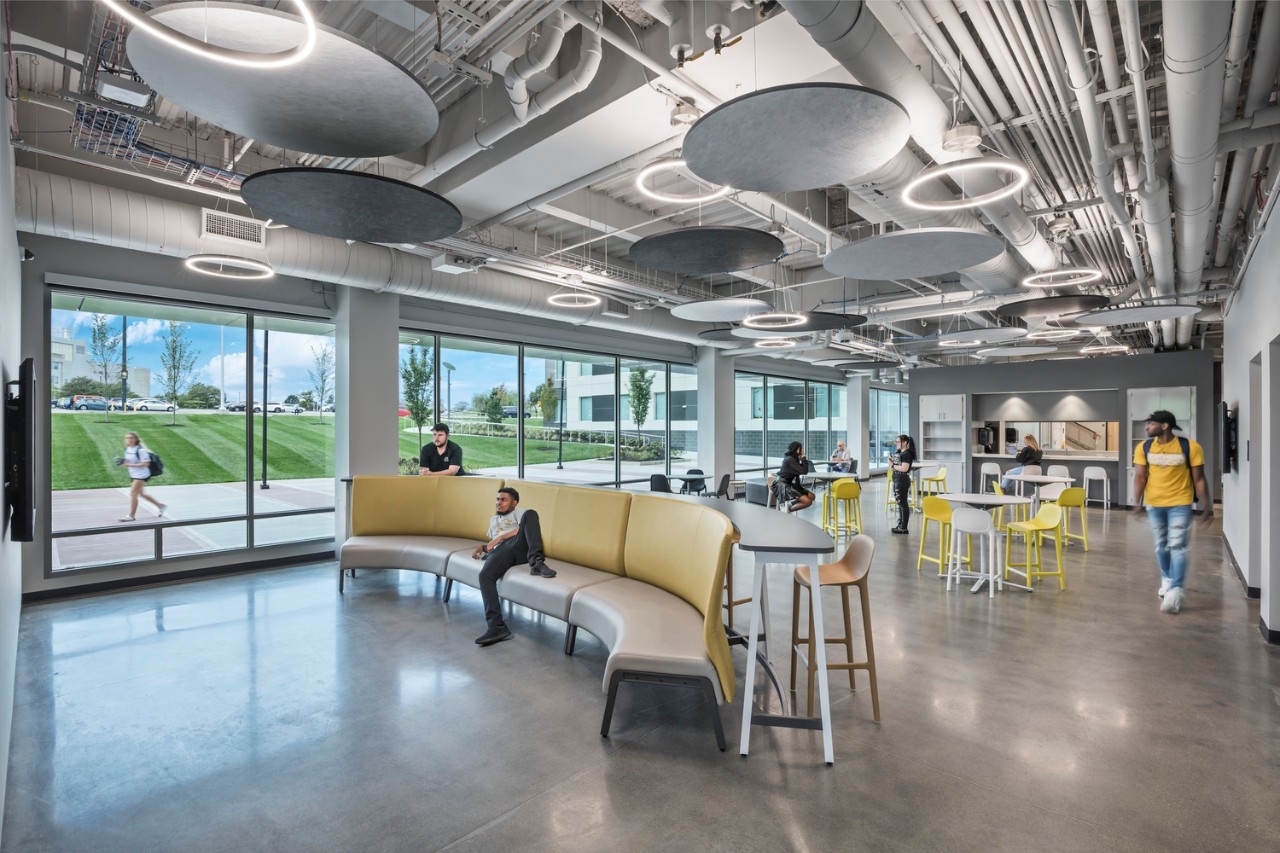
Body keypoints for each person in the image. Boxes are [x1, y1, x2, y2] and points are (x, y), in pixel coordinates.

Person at [1131, 410, 1212, 614]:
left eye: (1150, 423)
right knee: (1161, 545)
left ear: (1165, 426)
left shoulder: (1190, 447)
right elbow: (1140, 477)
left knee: (1178, 546)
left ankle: (1176, 590)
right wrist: (1137, 502)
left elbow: (1199, 478)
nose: (1147, 427)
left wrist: (1207, 505)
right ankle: (1167, 579)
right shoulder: (1144, 447)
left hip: (1180, 504)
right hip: (1154, 504)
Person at [472, 487, 556, 646]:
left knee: (531, 514)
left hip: (519, 546)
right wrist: (483, 548)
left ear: (514, 503)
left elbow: (521, 530)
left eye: (504, 500)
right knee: (485, 576)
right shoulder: (493, 520)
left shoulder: (518, 513)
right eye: (498, 499)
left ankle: (537, 562)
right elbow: (493, 545)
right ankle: (497, 626)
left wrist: (501, 537)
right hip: (503, 552)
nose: (499, 503)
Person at [116, 431, 166, 522]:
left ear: (136, 439)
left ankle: (131, 516)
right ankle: (160, 506)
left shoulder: (140, 450)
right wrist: (123, 461)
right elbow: (131, 460)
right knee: (141, 494)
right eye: (127, 438)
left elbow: (146, 464)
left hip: (142, 475)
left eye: (131, 438)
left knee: (133, 494)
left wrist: (130, 465)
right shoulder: (127, 449)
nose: (129, 440)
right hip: (134, 474)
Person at [776, 441, 815, 513]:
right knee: (808, 502)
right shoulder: (789, 459)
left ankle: (790, 505)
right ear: (797, 449)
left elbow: (803, 470)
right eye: (801, 449)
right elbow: (804, 471)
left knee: (812, 496)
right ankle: (787, 510)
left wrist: (802, 460)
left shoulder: (793, 459)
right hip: (783, 485)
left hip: (791, 484)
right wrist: (803, 458)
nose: (802, 451)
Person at [889, 434, 917, 534]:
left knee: (903, 504)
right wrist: (892, 464)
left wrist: (893, 466)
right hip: (897, 479)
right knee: (900, 503)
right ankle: (901, 524)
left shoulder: (907, 454)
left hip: (902, 480)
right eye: (896, 442)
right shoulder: (899, 453)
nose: (897, 443)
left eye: (898, 442)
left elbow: (904, 468)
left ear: (904, 442)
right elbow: (895, 466)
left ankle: (903, 528)